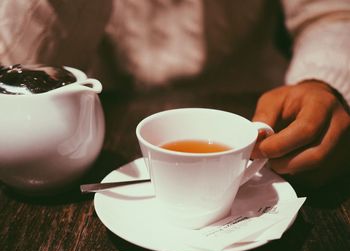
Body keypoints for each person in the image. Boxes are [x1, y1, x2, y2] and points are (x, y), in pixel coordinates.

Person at [0, 0, 349, 188]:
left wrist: (323, 80)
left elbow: (331, 13)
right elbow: (15, 70)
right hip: (105, 116)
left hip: (255, 105)